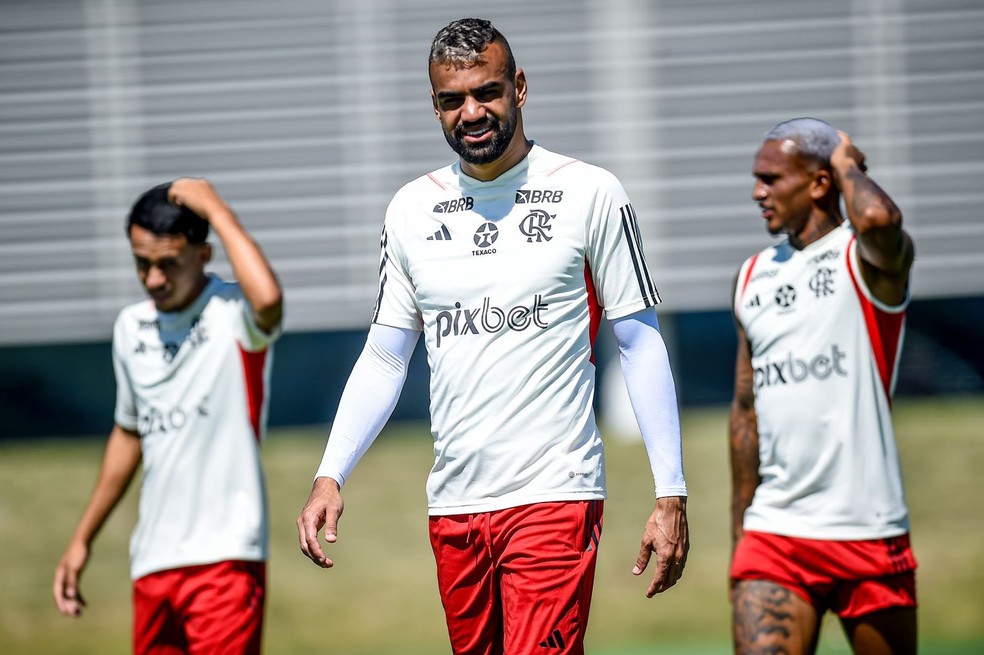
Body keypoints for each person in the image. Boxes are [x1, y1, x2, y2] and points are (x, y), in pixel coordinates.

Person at [296, 17, 689, 655]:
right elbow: (386, 357)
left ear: (519, 87)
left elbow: (639, 343)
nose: (472, 113)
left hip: (554, 496)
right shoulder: (409, 210)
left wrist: (670, 492)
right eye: (452, 100)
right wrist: (330, 474)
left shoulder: (590, 192)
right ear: (435, 105)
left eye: (487, 92)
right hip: (453, 507)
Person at [53, 178, 283, 654]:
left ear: (203, 255)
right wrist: (82, 539)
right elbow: (129, 434)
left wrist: (216, 210)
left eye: (168, 264)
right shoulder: (129, 327)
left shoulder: (233, 312)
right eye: (142, 263)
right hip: (152, 562)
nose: (154, 279)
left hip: (225, 559)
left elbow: (268, 300)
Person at [729, 118, 918, 654]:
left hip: (869, 530)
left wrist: (844, 160)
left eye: (770, 178)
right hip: (777, 533)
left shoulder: (866, 259)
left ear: (818, 183)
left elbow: (878, 218)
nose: (757, 192)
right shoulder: (752, 276)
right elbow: (745, 411)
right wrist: (741, 536)